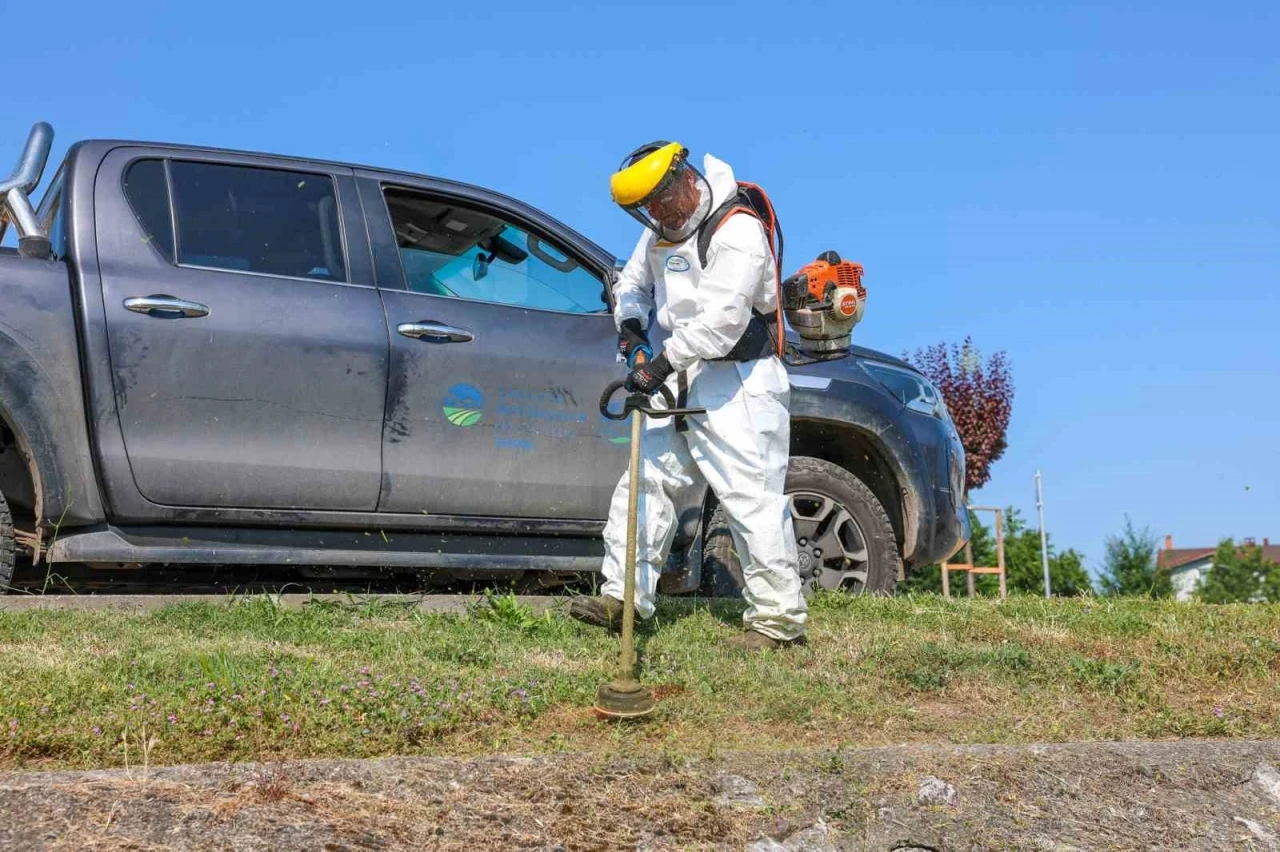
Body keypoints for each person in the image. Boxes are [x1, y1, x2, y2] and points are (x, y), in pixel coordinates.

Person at [569, 142, 808, 650]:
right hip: (682, 373)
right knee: (644, 484)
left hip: (738, 381)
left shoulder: (736, 228)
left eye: (662, 200)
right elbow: (632, 285)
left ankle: (777, 623)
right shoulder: (659, 231)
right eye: (647, 208)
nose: (658, 213)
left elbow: (721, 324)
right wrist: (632, 332)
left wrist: (656, 368)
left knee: (750, 499)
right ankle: (622, 598)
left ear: (685, 179)